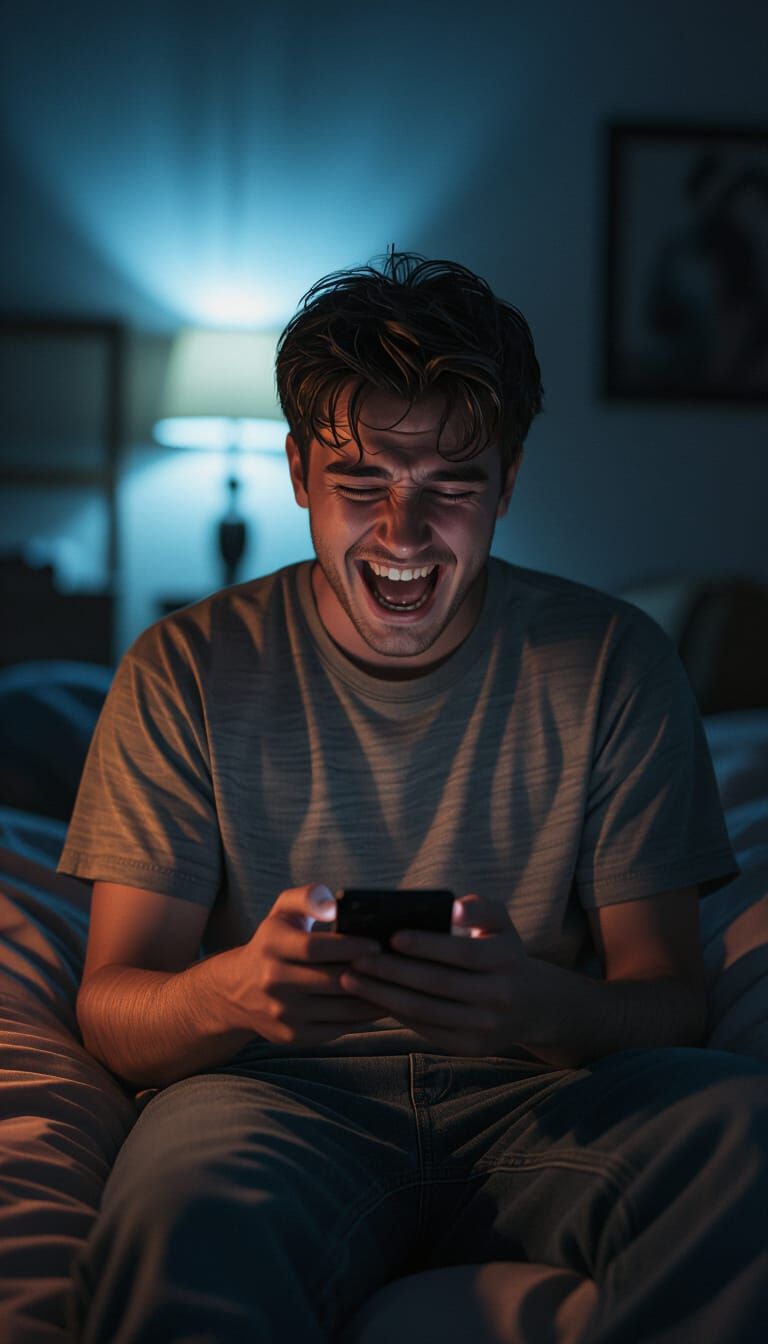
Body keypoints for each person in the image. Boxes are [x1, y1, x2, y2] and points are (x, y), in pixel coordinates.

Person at [58, 250, 767, 1343]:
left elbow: (666, 997)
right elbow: (112, 1005)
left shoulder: (616, 661)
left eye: (449, 488)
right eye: (360, 486)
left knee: (740, 1135)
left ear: (510, 482)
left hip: (547, 1095)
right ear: (297, 474)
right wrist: (236, 993)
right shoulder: (185, 668)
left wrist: (532, 1004)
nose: (400, 534)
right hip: (267, 1103)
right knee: (177, 1208)